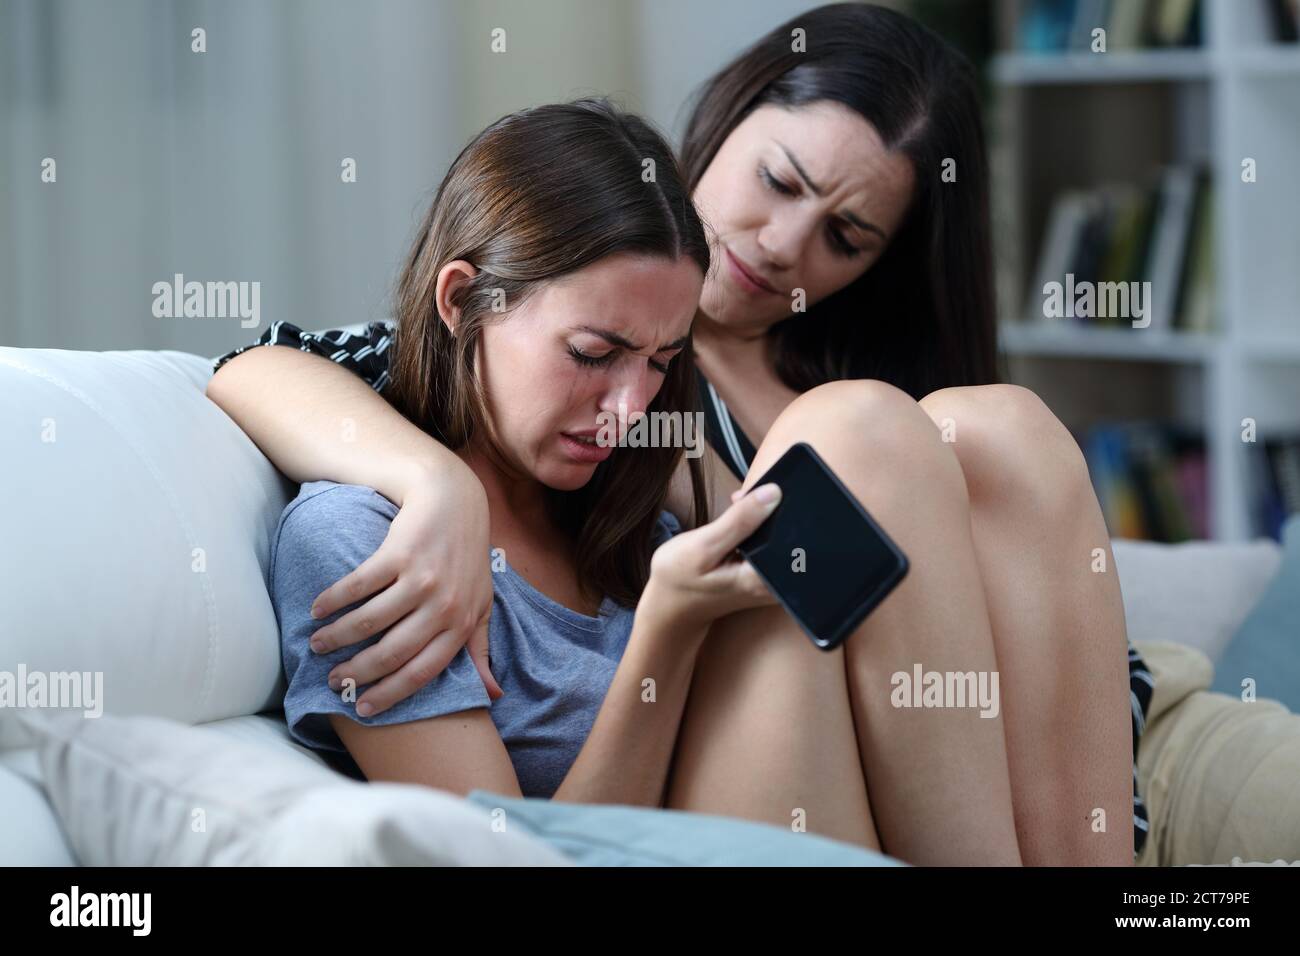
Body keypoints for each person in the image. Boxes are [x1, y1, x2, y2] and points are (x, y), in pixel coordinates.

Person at [208, 5, 1142, 866]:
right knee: (851, 430)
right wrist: (443, 489)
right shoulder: (373, 520)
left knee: (998, 421)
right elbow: (264, 367)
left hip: (882, 780)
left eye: (660, 360)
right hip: (688, 820)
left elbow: (1054, 653)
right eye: (592, 352)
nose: (782, 244)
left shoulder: (638, 468)